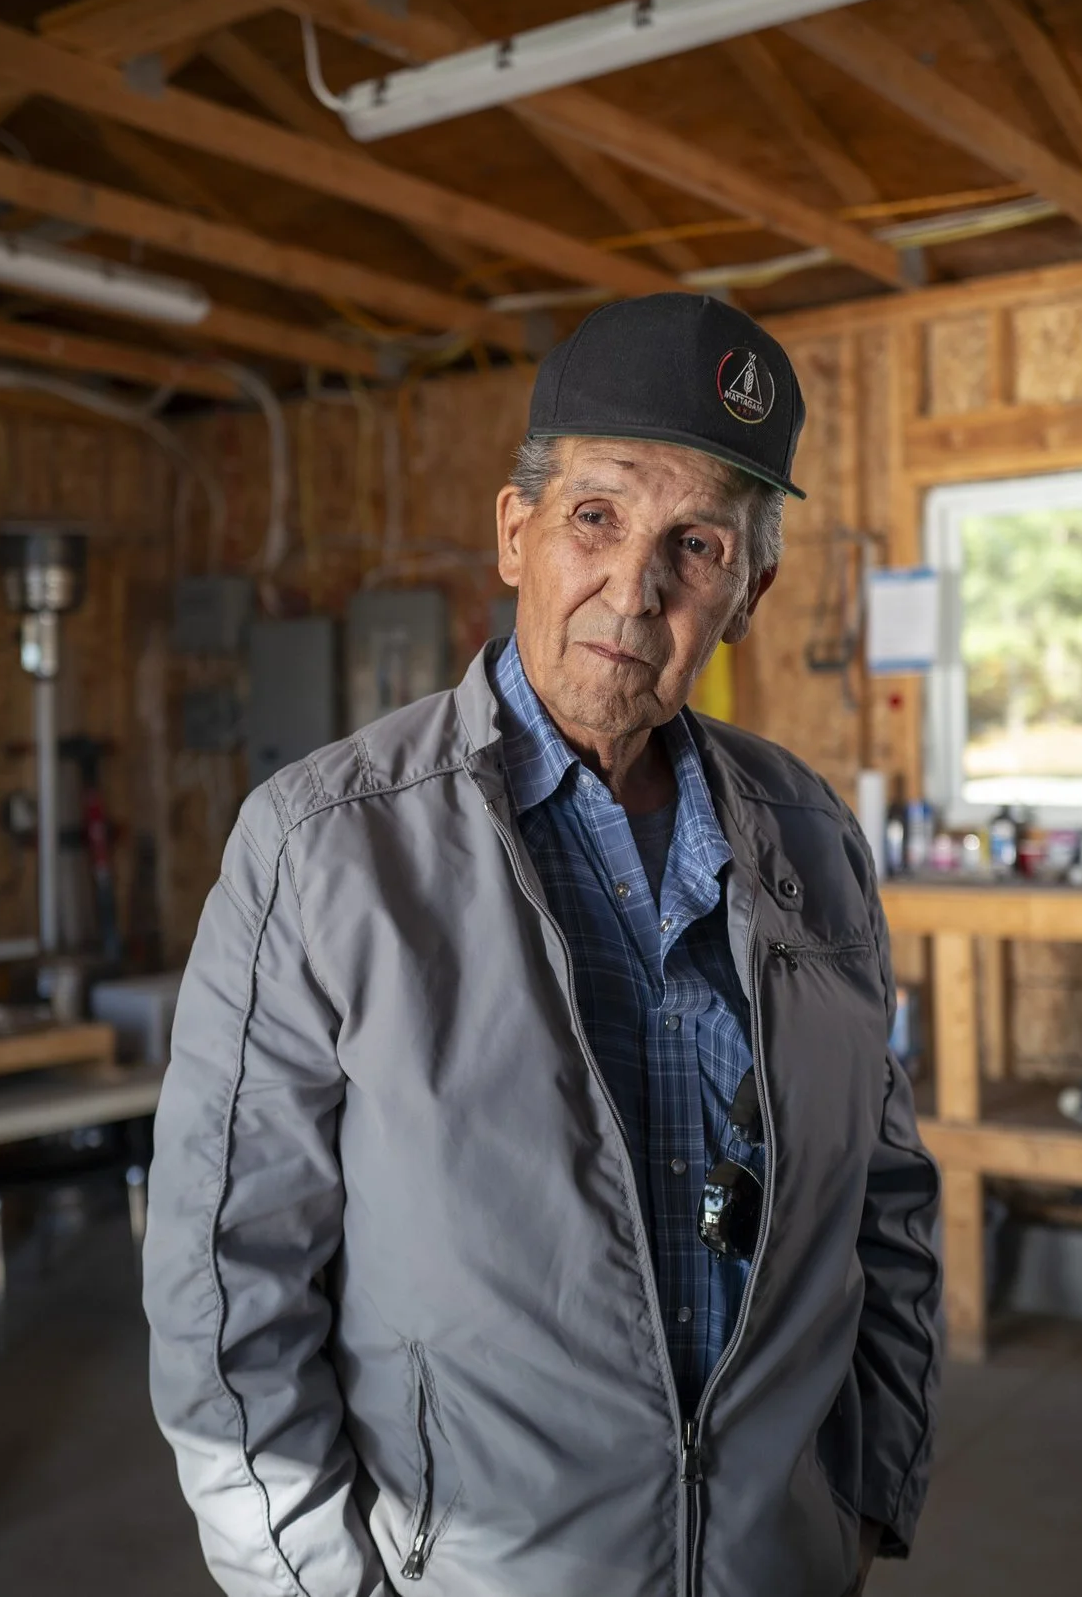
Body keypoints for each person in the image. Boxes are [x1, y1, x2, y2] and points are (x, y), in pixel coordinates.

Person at [145, 293, 941, 1596]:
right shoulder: (322, 846)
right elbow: (225, 1280)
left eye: (696, 542)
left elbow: (888, 1205)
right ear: (516, 532)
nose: (634, 589)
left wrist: (865, 1502)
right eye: (596, 517)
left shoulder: (814, 840)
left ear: (749, 590)